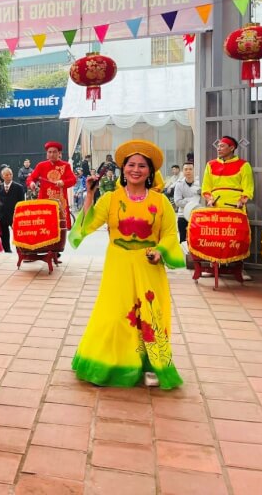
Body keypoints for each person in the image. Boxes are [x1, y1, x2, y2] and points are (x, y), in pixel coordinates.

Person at [69, 140, 184, 390]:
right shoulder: (111, 199)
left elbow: (170, 234)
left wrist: (160, 251)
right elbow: (87, 224)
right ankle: (108, 363)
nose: (136, 169)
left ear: (150, 171)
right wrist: (90, 194)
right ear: (123, 169)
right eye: (131, 164)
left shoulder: (160, 202)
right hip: (118, 263)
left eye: (142, 165)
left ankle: (151, 366)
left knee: (150, 315)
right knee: (115, 315)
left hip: (148, 264)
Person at [27, 141, 77, 228]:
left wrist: (63, 182)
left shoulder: (66, 166)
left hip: (60, 201)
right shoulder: (41, 165)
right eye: (49, 152)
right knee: (44, 226)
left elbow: (73, 180)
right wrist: (31, 183)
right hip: (44, 199)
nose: (52, 154)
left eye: (54, 152)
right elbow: (31, 178)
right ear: (47, 154)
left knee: (60, 228)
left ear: (59, 153)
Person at [201, 136, 254, 209]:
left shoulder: (244, 165)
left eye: (222, 146)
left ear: (231, 148)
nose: (218, 149)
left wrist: (241, 201)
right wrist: (210, 200)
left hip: (235, 205)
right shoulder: (210, 165)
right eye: (218, 146)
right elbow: (206, 187)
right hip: (216, 206)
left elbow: (248, 187)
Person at [0, 167, 25, 253]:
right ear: (2, 176)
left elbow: (22, 202)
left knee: (18, 233)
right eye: (6, 175)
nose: (9, 176)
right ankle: (7, 250)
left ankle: (20, 249)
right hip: (3, 215)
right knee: (4, 234)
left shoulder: (18, 187)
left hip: (15, 214)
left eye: (10, 174)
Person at [173, 162, 201, 243]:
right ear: (183, 171)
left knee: (197, 240)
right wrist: (193, 202)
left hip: (197, 214)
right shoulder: (179, 184)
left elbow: (203, 199)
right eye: (186, 169)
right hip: (183, 215)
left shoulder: (200, 183)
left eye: (190, 169)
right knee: (183, 240)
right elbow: (177, 201)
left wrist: (185, 200)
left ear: (194, 170)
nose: (188, 171)